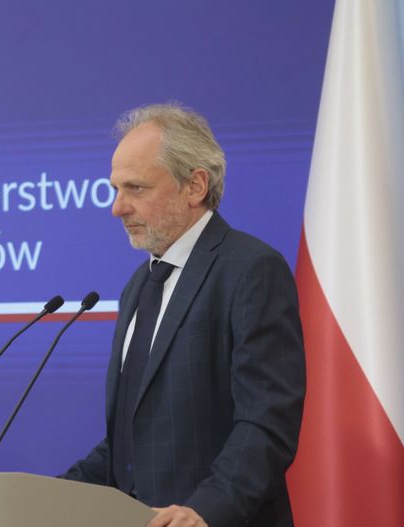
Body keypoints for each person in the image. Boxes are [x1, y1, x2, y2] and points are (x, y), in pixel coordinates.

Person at [61, 103, 305, 527]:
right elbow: (130, 444)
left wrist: (205, 510)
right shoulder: (139, 286)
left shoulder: (250, 269)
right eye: (115, 189)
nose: (118, 207)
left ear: (194, 186)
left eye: (136, 188)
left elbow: (266, 421)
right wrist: (47, 496)